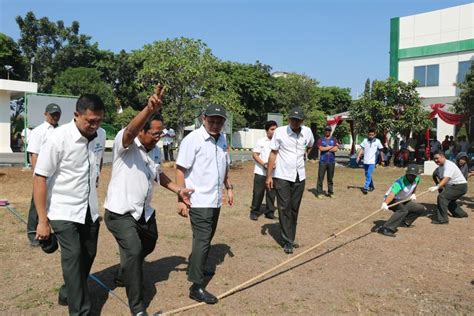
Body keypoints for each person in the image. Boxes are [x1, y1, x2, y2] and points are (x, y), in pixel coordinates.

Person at [104, 85, 193, 315]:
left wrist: (178, 190)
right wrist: (148, 109)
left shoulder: (155, 150)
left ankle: (124, 272)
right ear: (142, 132)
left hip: (143, 213)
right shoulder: (126, 146)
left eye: (160, 133)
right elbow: (129, 131)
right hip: (120, 212)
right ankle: (138, 307)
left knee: (149, 243)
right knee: (133, 251)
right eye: (154, 133)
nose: (158, 137)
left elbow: (158, 175)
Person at [33, 94, 106, 315]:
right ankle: (80, 311)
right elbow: (40, 178)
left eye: (99, 121)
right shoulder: (58, 139)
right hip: (63, 209)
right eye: (90, 121)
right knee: (73, 256)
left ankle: (67, 292)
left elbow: (99, 158)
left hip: (89, 209)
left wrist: (95, 175)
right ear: (76, 115)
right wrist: (43, 220)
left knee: (88, 254)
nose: (95, 126)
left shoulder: (100, 135)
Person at [176, 104, 234, 304]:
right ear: (203, 118)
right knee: (202, 240)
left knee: (207, 238)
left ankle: (197, 268)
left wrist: (229, 187)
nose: (216, 124)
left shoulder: (222, 139)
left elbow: (224, 165)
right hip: (198, 199)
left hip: (215, 199)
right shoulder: (193, 140)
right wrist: (180, 198)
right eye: (212, 120)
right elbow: (180, 169)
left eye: (219, 121)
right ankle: (196, 285)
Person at [266, 107, 314, 254]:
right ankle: (287, 241)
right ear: (288, 119)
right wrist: (269, 176)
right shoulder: (280, 132)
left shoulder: (307, 132)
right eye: (292, 119)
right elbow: (273, 153)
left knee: (294, 208)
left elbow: (311, 145)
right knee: (284, 207)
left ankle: (290, 238)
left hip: (300, 176)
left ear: (302, 121)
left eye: (298, 120)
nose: (295, 122)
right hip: (282, 175)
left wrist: (304, 156)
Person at [26, 103, 62, 246]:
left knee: (53, 202)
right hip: (43, 175)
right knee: (37, 204)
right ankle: (32, 233)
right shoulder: (39, 131)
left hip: (56, 175)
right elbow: (34, 154)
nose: (55, 117)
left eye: (57, 114)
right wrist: (37, 176)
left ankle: (50, 230)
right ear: (45, 114)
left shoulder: (61, 131)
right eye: (52, 114)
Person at [377, 165, 426, 237]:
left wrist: (413, 194)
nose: (412, 177)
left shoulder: (417, 179)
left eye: (414, 175)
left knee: (420, 208)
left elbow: (415, 186)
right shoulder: (399, 182)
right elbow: (392, 194)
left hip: (403, 200)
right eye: (410, 175)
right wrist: (385, 203)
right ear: (406, 173)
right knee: (403, 210)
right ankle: (386, 228)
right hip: (391, 199)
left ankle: (405, 222)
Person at [428, 152, 468, 224]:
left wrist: (437, 187)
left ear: (443, 157)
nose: (436, 160)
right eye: (434, 159)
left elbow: (446, 178)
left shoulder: (449, 165)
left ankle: (443, 220)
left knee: (442, 197)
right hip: (453, 186)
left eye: (437, 158)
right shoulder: (440, 167)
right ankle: (461, 214)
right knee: (448, 199)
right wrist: (440, 187)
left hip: (460, 186)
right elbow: (442, 179)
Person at [249, 120, 277, 220]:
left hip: (274, 173)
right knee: (258, 193)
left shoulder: (279, 142)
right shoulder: (261, 141)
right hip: (260, 171)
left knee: (271, 193)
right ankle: (254, 212)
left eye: (275, 129)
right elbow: (255, 154)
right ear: (266, 130)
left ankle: (269, 212)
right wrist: (264, 164)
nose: (274, 131)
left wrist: (276, 165)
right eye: (272, 129)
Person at [356, 129, 384, 194]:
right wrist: (358, 157)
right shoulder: (365, 140)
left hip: (372, 161)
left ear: (375, 135)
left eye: (372, 135)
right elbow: (362, 149)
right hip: (365, 161)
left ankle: (365, 188)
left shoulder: (377, 141)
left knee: (368, 174)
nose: (371, 136)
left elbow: (381, 150)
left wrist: (382, 160)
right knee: (367, 175)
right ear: (368, 134)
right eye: (370, 135)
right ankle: (372, 186)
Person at [315, 126, 339, 198]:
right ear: (324, 131)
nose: (327, 131)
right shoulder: (320, 139)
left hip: (331, 161)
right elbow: (321, 149)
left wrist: (327, 148)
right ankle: (319, 193)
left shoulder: (334, 139)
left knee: (330, 178)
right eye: (326, 130)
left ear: (330, 131)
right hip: (323, 161)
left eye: (329, 130)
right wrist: (331, 147)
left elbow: (336, 149)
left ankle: (330, 192)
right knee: (320, 178)